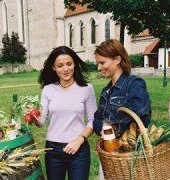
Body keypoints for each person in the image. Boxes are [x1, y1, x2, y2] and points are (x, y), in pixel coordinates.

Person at [35, 46, 97, 180]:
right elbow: (40, 122)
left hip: (79, 149)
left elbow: (93, 120)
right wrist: (33, 116)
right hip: (53, 150)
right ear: (54, 68)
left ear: (75, 64)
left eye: (69, 64)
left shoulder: (87, 89)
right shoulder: (48, 89)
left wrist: (80, 139)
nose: (65, 69)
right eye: (60, 65)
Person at [93, 39, 151, 139]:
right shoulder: (106, 91)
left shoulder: (134, 83)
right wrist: (103, 126)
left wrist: (109, 122)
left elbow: (140, 108)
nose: (98, 67)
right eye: (98, 63)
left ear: (117, 60)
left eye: (102, 63)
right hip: (113, 151)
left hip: (133, 150)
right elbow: (97, 120)